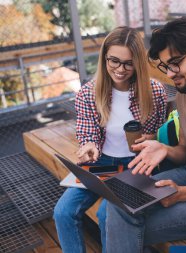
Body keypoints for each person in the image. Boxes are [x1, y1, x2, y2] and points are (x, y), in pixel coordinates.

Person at [105, 18, 186, 252]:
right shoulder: (184, 92)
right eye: (166, 66)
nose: (171, 73)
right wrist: (164, 148)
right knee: (116, 199)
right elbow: (185, 151)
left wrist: (183, 194)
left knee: (128, 224)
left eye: (175, 63)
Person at [53, 26, 167, 253]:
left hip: (136, 165)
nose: (120, 69)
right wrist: (89, 146)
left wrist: (152, 138)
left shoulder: (154, 91)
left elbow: (158, 135)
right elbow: (88, 135)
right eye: (113, 60)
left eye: (128, 63)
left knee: (107, 215)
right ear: (104, 57)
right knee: (63, 212)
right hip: (102, 162)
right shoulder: (88, 93)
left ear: (138, 63)